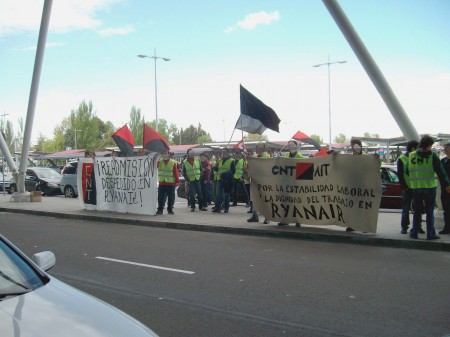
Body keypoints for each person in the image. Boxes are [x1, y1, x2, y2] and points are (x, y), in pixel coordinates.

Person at [407, 135, 450, 240]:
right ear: (430, 144)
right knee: (429, 211)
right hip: (430, 187)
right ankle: (430, 234)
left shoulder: (412, 155)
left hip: (416, 187)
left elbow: (407, 171)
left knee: (417, 211)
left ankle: (414, 232)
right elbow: (441, 172)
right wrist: (447, 184)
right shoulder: (432, 155)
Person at [397, 140, 421, 234]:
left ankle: (418, 226)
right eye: (418, 147)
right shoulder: (402, 158)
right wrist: (404, 186)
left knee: (417, 208)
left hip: (417, 187)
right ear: (413, 148)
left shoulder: (417, 157)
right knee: (406, 208)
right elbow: (400, 174)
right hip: (408, 187)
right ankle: (404, 227)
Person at [278, 140, 303, 227]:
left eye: (292, 145)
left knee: (296, 202)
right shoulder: (286, 155)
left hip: (295, 183)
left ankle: (298, 220)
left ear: (296, 146)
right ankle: (286, 219)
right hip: (286, 183)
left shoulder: (300, 156)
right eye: (289, 145)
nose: (291, 147)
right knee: (286, 202)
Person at [247, 142, 270, 224]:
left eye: (260, 147)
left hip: (264, 182)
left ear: (263, 149)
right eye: (257, 147)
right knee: (254, 199)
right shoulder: (254, 156)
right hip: (254, 181)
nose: (258, 149)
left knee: (264, 200)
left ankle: (267, 217)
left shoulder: (266, 156)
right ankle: (254, 216)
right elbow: (249, 167)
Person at [212, 148, 235, 214]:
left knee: (226, 195)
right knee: (218, 194)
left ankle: (226, 208)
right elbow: (219, 169)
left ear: (228, 153)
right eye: (223, 153)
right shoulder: (220, 160)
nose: (224, 154)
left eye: (225, 153)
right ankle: (218, 208)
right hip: (220, 179)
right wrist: (214, 168)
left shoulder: (231, 160)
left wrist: (223, 174)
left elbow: (233, 171)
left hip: (228, 180)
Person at [157, 149, 179, 215]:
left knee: (171, 197)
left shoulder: (173, 162)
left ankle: (170, 209)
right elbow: (153, 165)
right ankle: (160, 210)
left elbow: (175, 173)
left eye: (166, 153)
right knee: (160, 197)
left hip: (170, 183)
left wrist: (177, 181)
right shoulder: (159, 162)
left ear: (168, 154)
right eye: (163, 153)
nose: (164, 154)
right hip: (162, 182)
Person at [439, 142, 450, 234]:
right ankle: (447, 228)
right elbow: (441, 175)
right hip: (445, 189)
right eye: (444, 148)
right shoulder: (443, 161)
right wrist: (445, 186)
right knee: (446, 209)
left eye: (447, 148)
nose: (445, 150)